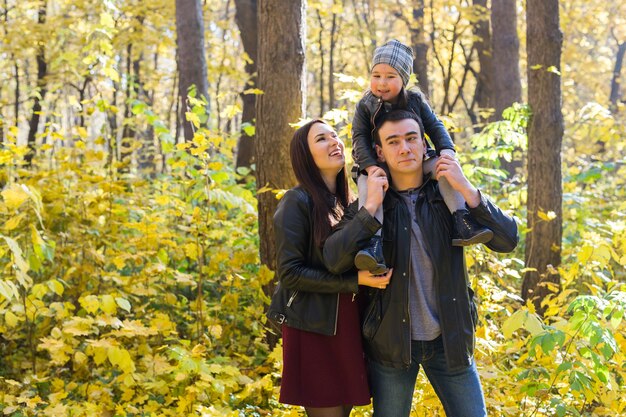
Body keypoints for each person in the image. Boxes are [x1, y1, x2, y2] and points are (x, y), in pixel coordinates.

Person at [323, 110, 519, 416]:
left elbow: (507, 240)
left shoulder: (448, 196)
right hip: (391, 344)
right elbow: (333, 260)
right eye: (394, 141)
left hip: (450, 339)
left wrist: (466, 186)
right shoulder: (371, 203)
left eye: (412, 138)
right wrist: (370, 206)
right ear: (380, 152)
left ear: (424, 144)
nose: (404, 148)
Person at [267, 119, 393, 417]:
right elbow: (290, 273)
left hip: (348, 324)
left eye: (335, 136)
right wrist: (355, 281)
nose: (334, 142)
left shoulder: (346, 202)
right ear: (306, 155)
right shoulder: (295, 202)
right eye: (322, 139)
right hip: (313, 327)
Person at [352, 39, 493, 275]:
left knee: (444, 167)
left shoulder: (415, 100)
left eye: (390, 76)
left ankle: (461, 220)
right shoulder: (365, 105)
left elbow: (435, 127)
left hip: (417, 160)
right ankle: (373, 243)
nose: (381, 83)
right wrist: (369, 166)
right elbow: (359, 138)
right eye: (376, 75)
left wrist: (446, 150)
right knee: (369, 187)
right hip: (378, 164)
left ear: (403, 80)